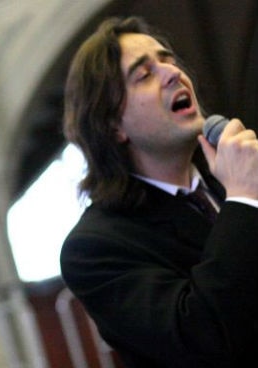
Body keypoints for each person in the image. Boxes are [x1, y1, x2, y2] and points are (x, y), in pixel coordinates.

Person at [60, 16, 258, 368]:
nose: (172, 73)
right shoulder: (94, 249)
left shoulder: (233, 177)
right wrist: (243, 199)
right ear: (112, 124)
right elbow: (202, 336)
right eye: (144, 75)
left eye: (168, 59)